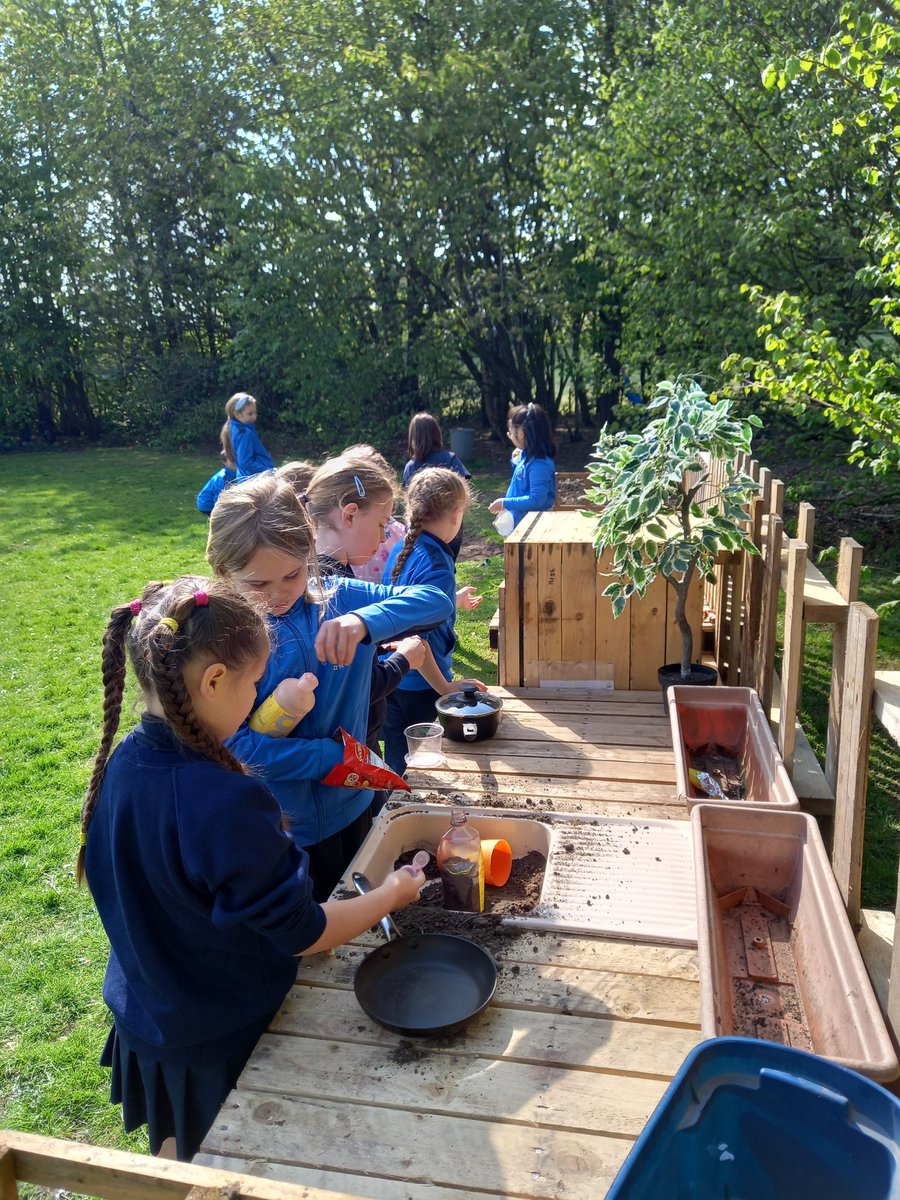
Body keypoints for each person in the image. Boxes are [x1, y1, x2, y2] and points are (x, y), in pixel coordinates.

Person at [77, 575, 425, 1162]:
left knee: (179, 1147)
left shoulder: (126, 760)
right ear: (214, 681)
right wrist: (391, 893)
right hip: (221, 1029)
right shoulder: (226, 801)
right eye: (256, 682)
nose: (260, 695)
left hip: (150, 1007)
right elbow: (305, 933)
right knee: (228, 1158)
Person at [206, 473, 453, 900]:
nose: (279, 595)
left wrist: (364, 621)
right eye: (258, 584)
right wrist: (327, 759)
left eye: (293, 574)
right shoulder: (224, 641)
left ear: (310, 552)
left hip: (357, 805)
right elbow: (231, 746)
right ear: (224, 572)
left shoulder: (338, 598)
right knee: (319, 931)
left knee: (368, 911)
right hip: (286, 829)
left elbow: (436, 602)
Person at [381, 468, 487, 774]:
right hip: (422, 686)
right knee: (425, 768)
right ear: (456, 513)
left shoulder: (403, 547)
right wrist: (445, 687)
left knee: (399, 763)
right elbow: (418, 640)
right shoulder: (438, 565)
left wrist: (452, 599)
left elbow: (408, 608)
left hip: (392, 677)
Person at [488, 402, 557, 528]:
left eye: (510, 430)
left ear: (521, 434)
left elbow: (536, 499)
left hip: (532, 529)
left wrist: (504, 503)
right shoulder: (528, 457)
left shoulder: (539, 464)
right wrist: (516, 463)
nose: (509, 435)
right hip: (521, 526)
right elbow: (524, 481)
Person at [402, 413, 472, 488]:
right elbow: (464, 487)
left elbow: (408, 493)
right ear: (436, 433)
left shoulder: (410, 467)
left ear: (413, 437)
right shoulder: (450, 459)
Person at [221, 392, 274, 481]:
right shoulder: (244, 433)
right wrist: (269, 471)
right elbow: (245, 463)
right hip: (254, 480)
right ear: (237, 415)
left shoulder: (232, 428)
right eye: (250, 414)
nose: (254, 417)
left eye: (255, 413)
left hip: (245, 478)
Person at [196, 450, 237, 515]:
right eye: (232, 461)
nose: (236, 463)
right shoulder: (222, 478)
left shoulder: (234, 473)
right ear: (224, 462)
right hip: (206, 503)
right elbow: (218, 498)